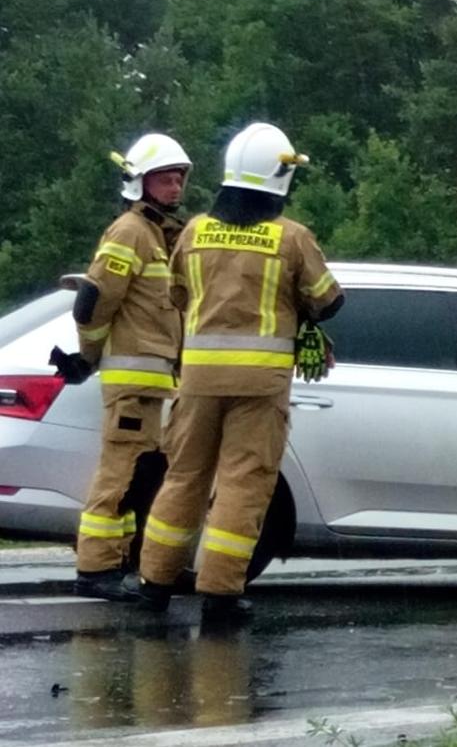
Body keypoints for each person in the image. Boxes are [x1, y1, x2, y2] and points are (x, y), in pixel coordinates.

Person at [136, 122, 342, 621]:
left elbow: (178, 297)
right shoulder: (291, 238)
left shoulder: (194, 231)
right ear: (279, 176)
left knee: (183, 477)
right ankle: (221, 594)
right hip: (259, 385)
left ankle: (153, 583)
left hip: (199, 381)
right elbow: (329, 300)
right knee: (243, 484)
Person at [60, 134, 193, 600]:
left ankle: (135, 562)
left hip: (158, 385)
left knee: (145, 477)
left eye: (179, 178)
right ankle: (94, 569)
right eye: (165, 178)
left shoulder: (160, 234)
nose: (175, 187)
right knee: (118, 475)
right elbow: (93, 303)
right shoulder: (130, 232)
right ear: (140, 182)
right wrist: (88, 356)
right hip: (133, 385)